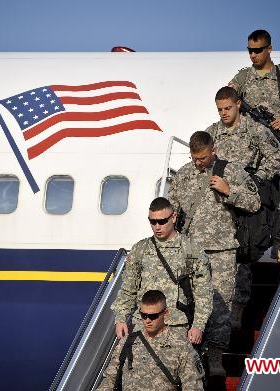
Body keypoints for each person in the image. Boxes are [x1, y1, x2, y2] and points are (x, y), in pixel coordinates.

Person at [168, 131, 260, 377]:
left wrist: (229, 191)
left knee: (219, 307)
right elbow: (172, 207)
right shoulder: (184, 174)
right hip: (191, 251)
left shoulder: (229, 171)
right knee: (189, 304)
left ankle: (216, 359)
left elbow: (254, 202)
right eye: (194, 158)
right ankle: (190, 359)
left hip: (222, 252)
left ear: (213, 150)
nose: (198, 163)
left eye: (203, 158)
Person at [205, 86, 280, 330]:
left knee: (242, 255)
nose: (223, 113)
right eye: (219, 110)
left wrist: (255, 181)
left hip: (244, 201)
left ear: (238, 104)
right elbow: (201, 161)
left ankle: (237, 310)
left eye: (227, 108)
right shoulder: (212, 133)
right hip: (217, 203)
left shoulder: (255, 130)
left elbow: (275, 159)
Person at [229, 29, 280, 261]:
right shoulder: (243, 78)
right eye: (249, 51)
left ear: (269, 49)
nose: (253, 55)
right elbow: (227, 99)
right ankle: (245, 243)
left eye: (257, 50)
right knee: (247, 191)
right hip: (252, 148)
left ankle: (279, 242)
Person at [111, 197, 213, 347]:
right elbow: (128, 289)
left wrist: (198, 325)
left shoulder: (191, 250)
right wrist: (120, 319)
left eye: (162, 221)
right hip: (143, 325)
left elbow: (203, 293)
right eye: (153, 222)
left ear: (173, 217)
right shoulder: (140, 249)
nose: (157, 226)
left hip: (176, 326)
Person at [98, 290, 205, 391]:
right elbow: (109, 379)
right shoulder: (127, 342)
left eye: (153, 316)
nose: (148, 320)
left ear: (165, 313)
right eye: (144, 315)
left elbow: (193, 385)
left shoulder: (181, 345)